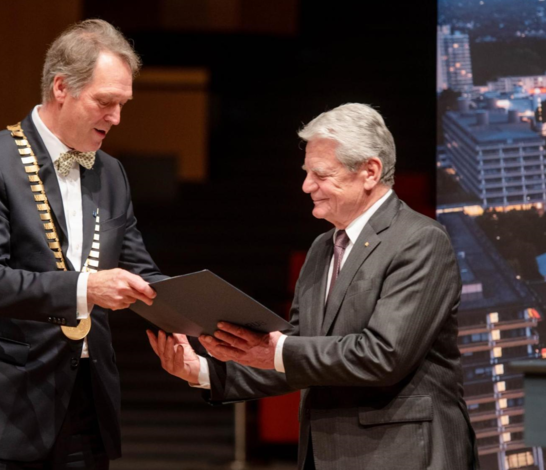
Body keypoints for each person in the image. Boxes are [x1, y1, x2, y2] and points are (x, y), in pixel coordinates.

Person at [148, 103, 478, 470]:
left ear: (370, 171)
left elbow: (384, 355)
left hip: (404, 454)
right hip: (327, 455)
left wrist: (274, 351)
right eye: (306, 173)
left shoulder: (421, 240)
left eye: (321, 174)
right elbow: (302, 349)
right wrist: (203, 370)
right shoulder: (323, 247)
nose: (307, 186)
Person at [0, 19, 165, 470]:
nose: (116, 118)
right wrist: (86, 290)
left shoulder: (112, 173)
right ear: (61, 87)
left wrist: (200, 314)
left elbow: (140, 269)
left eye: (123, 104)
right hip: (4, 404)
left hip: (87, 402)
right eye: (106, 102)